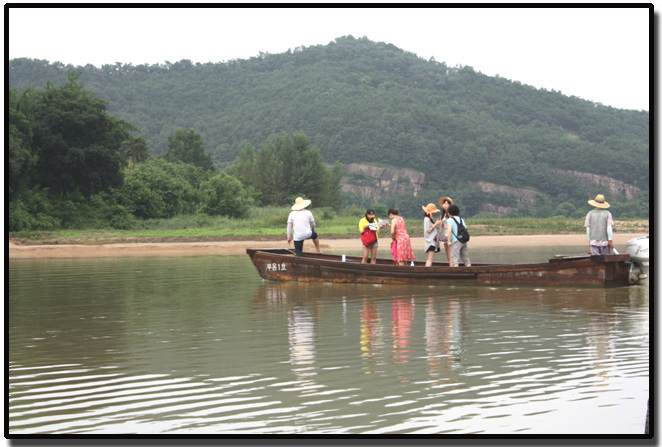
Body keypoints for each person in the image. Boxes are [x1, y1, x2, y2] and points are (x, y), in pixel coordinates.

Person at [438, 196, 454, 264]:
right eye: (444, 203)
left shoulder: (450, 214)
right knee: (448, 256)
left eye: (447, 203)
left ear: (450, 205)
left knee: (450, 256)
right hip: (444, 234)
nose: (445, 205)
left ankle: (452, 269)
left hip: (449, 234)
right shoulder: (444, 214)